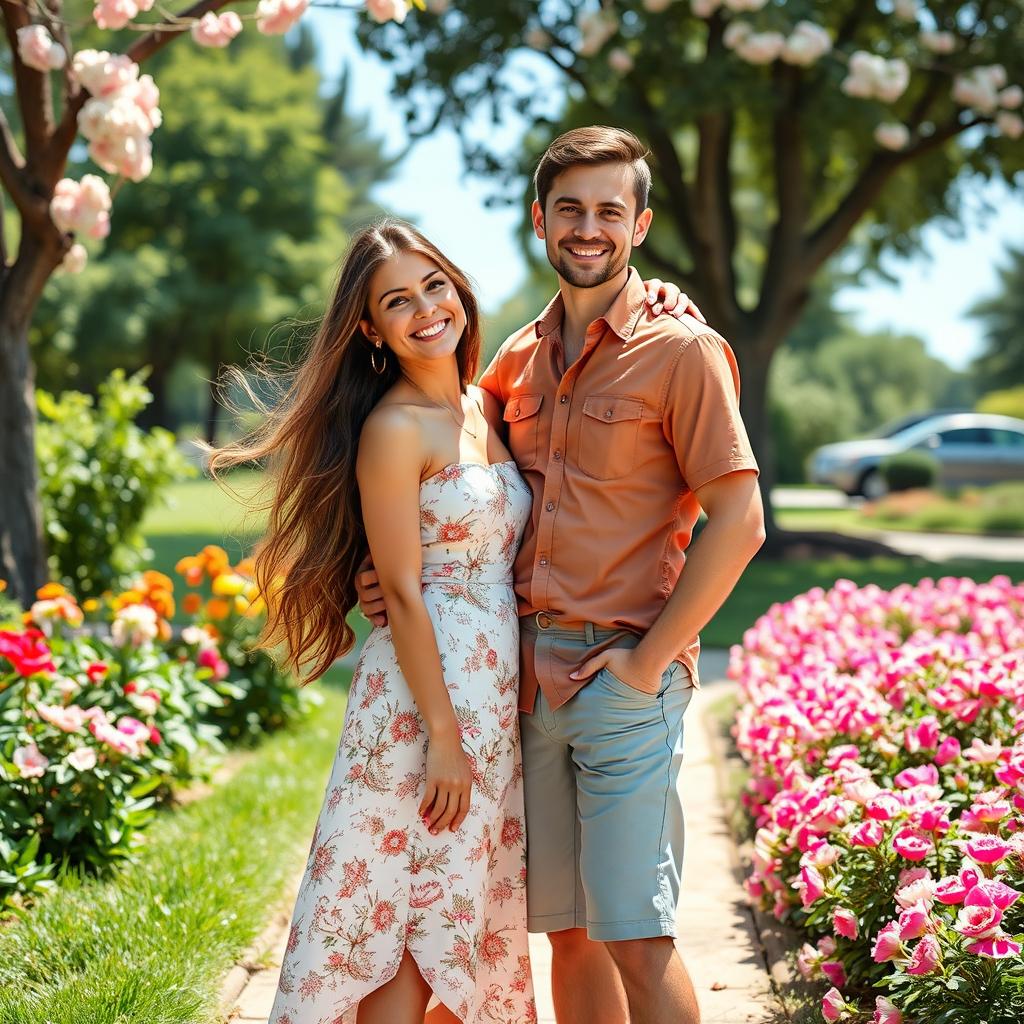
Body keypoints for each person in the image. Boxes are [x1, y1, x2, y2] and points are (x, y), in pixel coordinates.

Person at [206, 218, 690, 1024]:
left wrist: (662, 294)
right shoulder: (394, 428)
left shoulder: (483, 404)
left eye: (434, 285)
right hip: (422, 709)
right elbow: (398, 592)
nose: (425, 308)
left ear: (457, 288)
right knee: (398, 919)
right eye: (398, 301)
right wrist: (441, 738)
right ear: (371, 328)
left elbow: (575, 327)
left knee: (441, 913)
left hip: (492, 697)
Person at [358, 126, 765, 1024]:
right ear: (539, 220)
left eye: (610, 211)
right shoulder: (509, 360)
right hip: (520, 687)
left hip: (624, 676)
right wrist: (384, 575)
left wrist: (650, 662)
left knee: (635, 932)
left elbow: (739, 521)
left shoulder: (683, 351)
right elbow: (461, 485)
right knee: (568, 934)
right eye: (570, 210)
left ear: (641, 224)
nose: (589, 228)